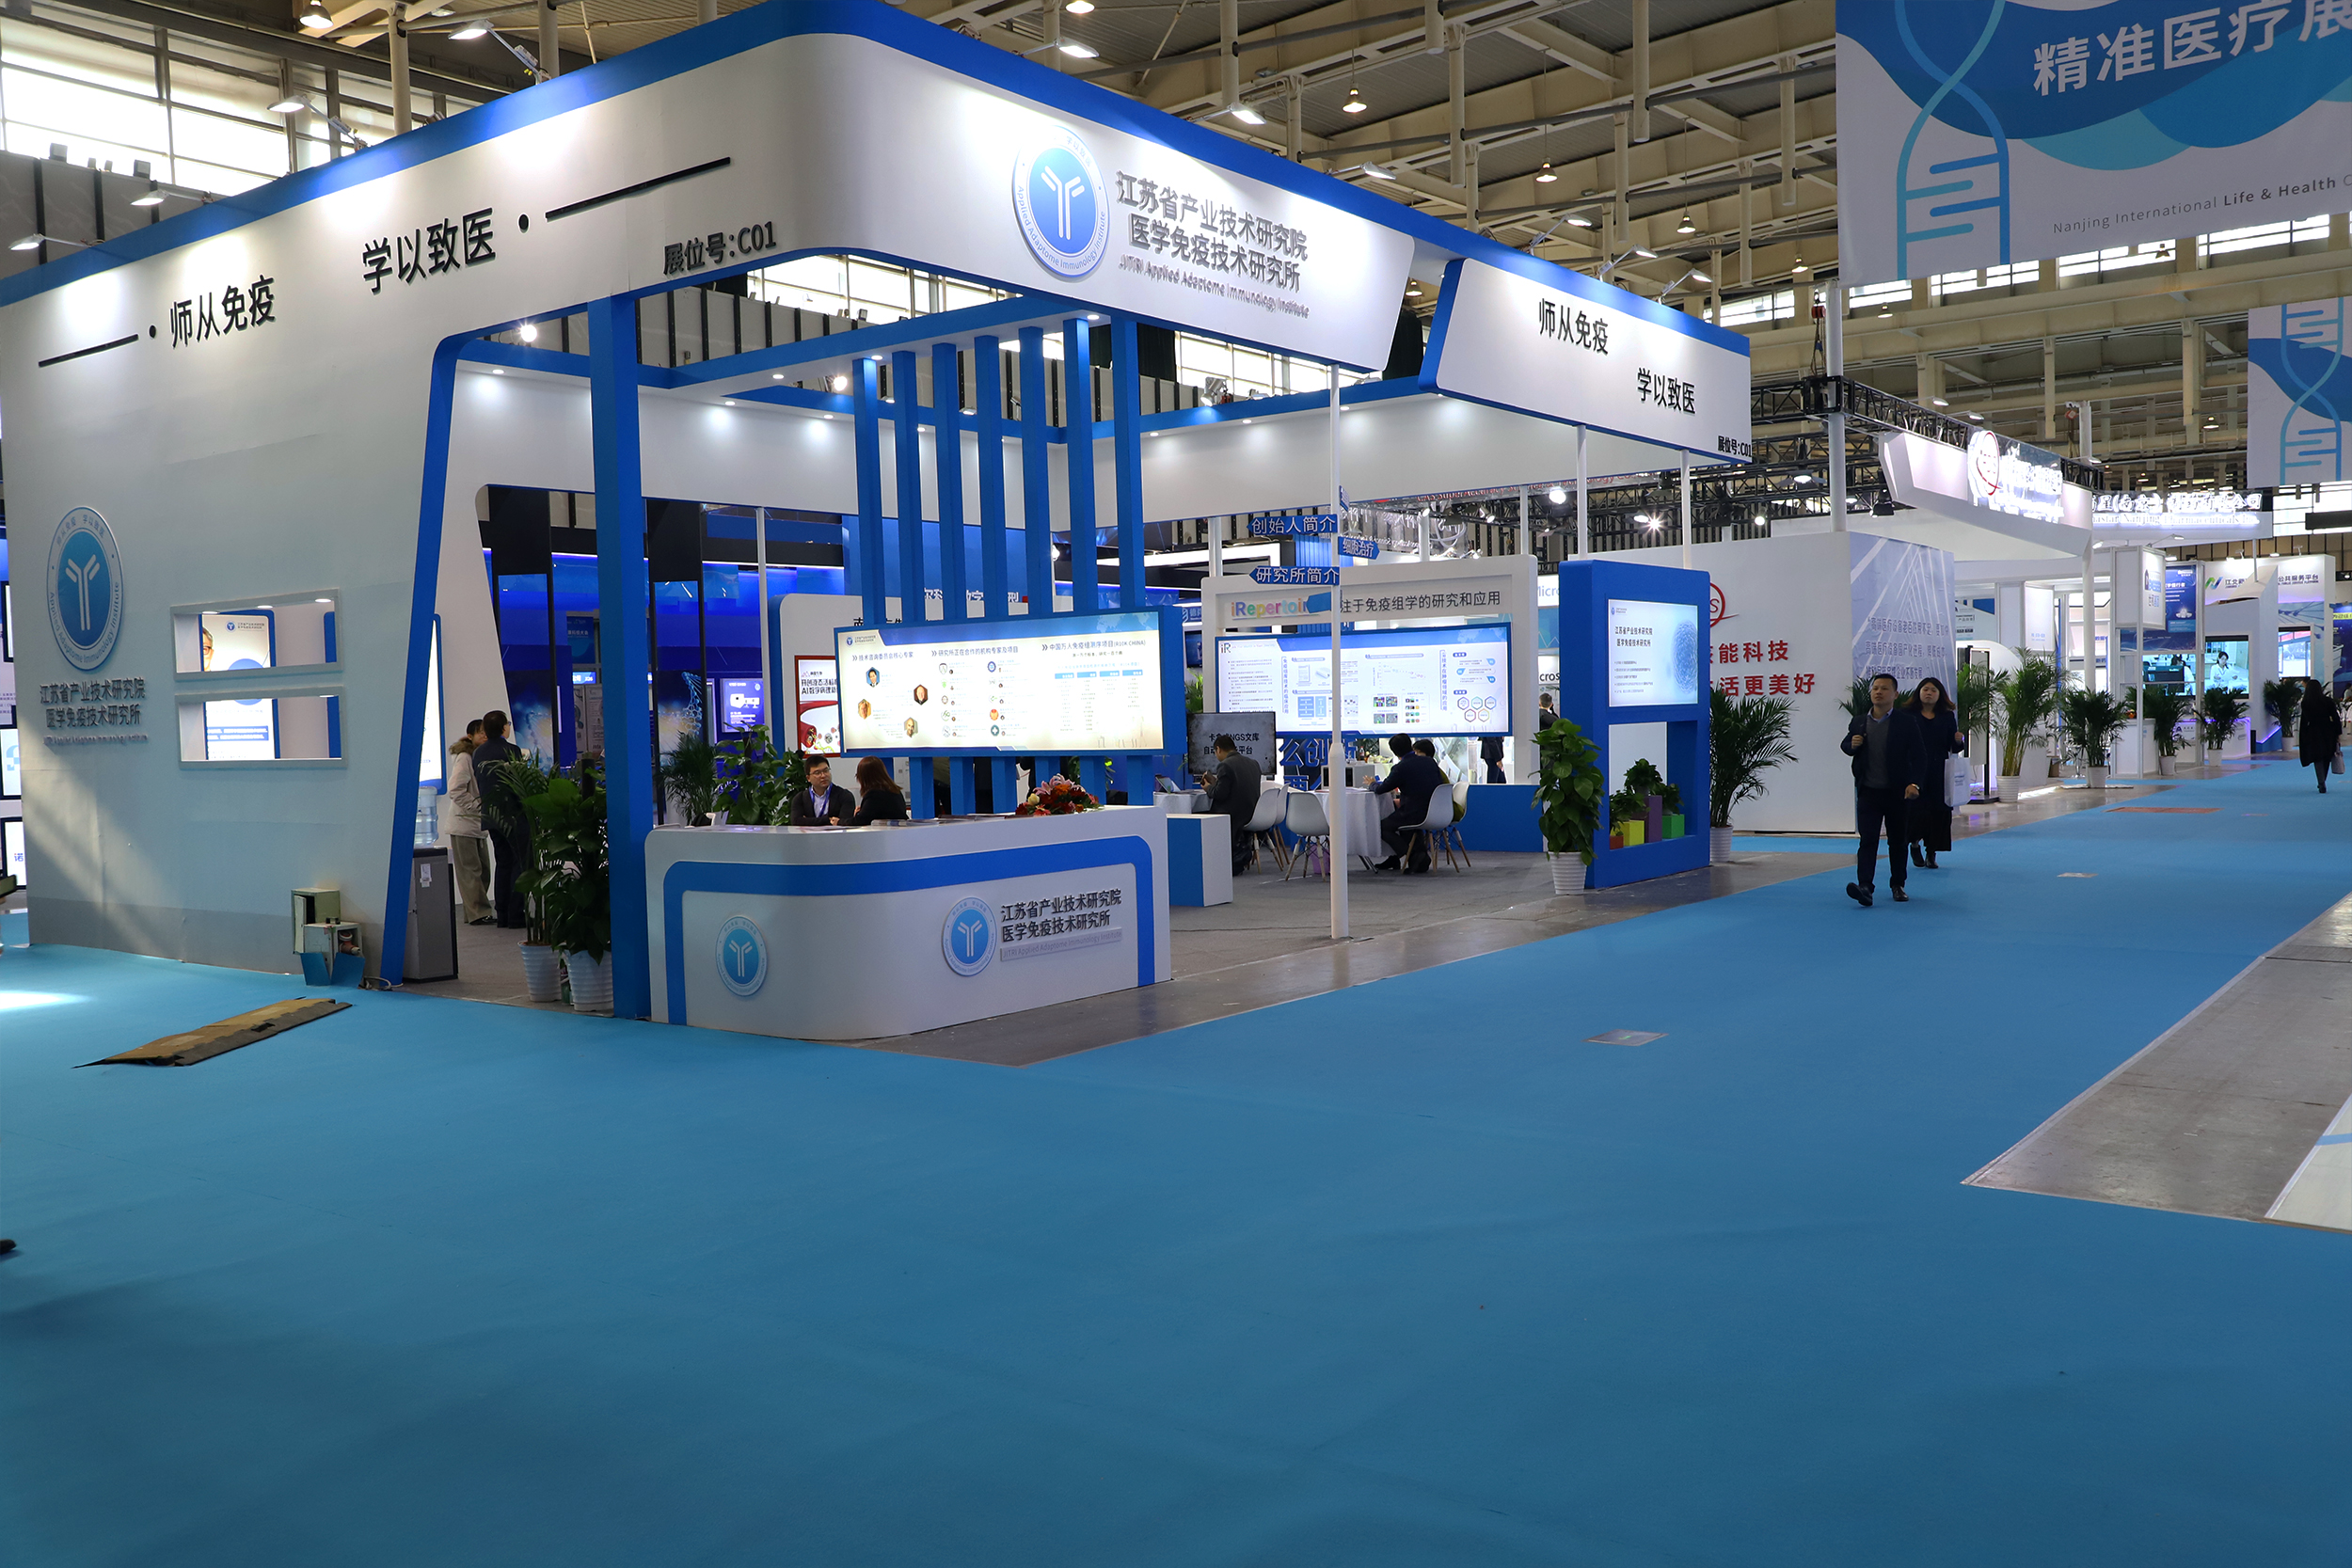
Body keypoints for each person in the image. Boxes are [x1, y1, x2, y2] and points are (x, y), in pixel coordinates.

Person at [1841, 673, 1928, 908]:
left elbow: (1920, 756)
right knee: (1868, 840)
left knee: (1897, 841)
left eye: (1884, 689)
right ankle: (1865, 887)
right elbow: (1846, 744)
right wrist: (1851, 745)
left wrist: (1914, 784)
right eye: (1875, 688)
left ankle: (1898, 884)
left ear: (1895, 694)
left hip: (1897, 792)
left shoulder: (1905, 722)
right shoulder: (1859, 721)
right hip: (1868, 790)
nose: (1878, 692)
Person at [469, 710, 529, 928]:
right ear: (504, 727)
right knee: (519, 863)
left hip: (491, 816)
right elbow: (519, 784)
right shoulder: (512, 751)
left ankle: (502, 914)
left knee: (503, 863)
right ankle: (516, 914)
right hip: (513, 815)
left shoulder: (478, 753)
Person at [1904, 676, 1968, 871]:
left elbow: (1954, 747)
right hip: (1914, 770)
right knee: (1915, 810)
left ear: (1940, 694)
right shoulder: (1907, 715)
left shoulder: (1946, 717)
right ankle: (1914, 843)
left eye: (1933, 690)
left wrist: (1958, 740)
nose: (1929, 693)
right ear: (1919, 692)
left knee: (1939, 812)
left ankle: (1932, 853)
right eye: (1925, 689)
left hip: (1940, 771)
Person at [1371, 733, 1447, 874]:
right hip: (1437, 811)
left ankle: (1410, 855)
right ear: (1411, 746)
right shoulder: (1430, 762)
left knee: (1383, 827)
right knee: (1403, 823)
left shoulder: (1400, 768)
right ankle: (1416, 856)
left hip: (1414, 813)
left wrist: (1372, 784)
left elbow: (1381, 789)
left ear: (1395, 752)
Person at [446, 721, 495, 925]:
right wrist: (477, 807)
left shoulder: (480, 756)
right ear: (470, 736)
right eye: (480, 733)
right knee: (471, 872)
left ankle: (473, 912)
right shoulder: (465, 757)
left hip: (478, 825)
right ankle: (479, 914)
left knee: (483, 871)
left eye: (485, 732)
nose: (484, 736)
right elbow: (455, 789)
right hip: (464, 824)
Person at [1203, 734, 1263, 874]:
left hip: (1234, 815)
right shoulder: (1253, 763)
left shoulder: (1225, 765)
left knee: (1201, 815)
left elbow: (1220, 794)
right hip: (1253, 813)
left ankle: (1211, 861)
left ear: (1218, 749)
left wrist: (1208, 788)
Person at [2298, 676, 2344, 794]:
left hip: (2313, 732)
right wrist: (2338, 732)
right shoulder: (2327, 701)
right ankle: (2323, 780)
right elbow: (2335, 717)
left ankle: (2321, 781)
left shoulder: (2306, 703)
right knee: (2327, 756)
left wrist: (2303, 735)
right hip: (2328, 731)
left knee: (2317, 757)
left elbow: (2304, 721)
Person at [788, 755, 854, 826]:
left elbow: (844, 823)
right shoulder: (800, 798)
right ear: (808, 778)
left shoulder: (845, 796)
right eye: (817, 773)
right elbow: (796, 822)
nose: (823, 776)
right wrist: (827, 820)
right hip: (810, 834)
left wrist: (807, 821)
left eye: (826, 771)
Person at [852, 757, 910, 823]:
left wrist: (856, 814)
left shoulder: (874, 795)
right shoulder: (895, 791)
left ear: (864, 777)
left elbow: (862, 820)